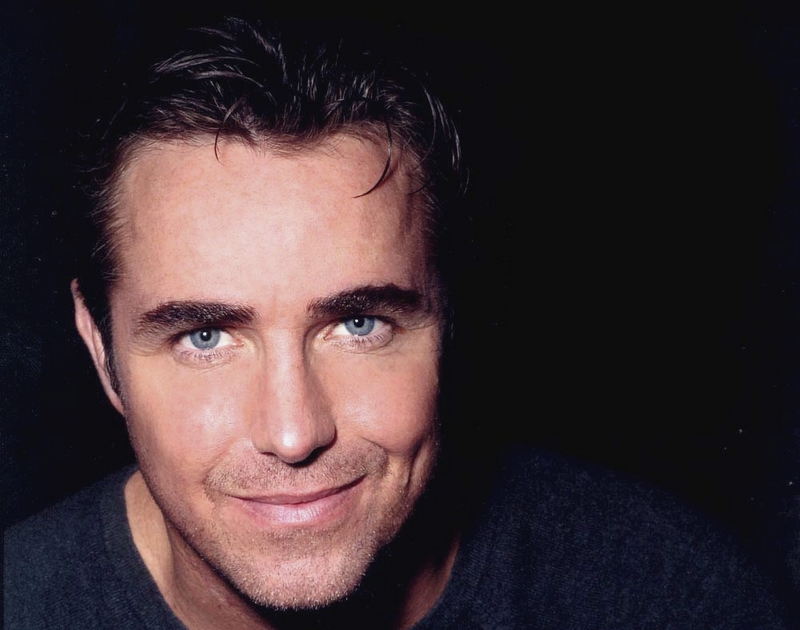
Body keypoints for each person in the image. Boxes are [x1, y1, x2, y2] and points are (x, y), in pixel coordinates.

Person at [3, 16, 791, 630]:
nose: (293, 432)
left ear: (450, 322)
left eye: (359, 325)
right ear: (100, 349)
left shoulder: (672, 598)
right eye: (204, 338)